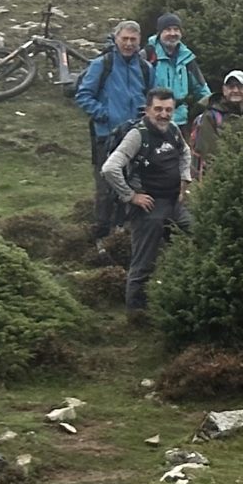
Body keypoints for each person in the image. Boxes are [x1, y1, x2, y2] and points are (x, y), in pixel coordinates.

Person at [98, 89, 191, 310]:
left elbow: (185, 152)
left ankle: (179, 296)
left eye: (169, 110)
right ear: (148, 109)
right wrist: (130, 196)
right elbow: (110, 168)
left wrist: (185, 181)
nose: (164, 114)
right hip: (148, 208)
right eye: (158, 109)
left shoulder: (173, 130)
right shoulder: (137, 135)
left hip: (173, 203)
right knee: (143, 263)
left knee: (199, 234)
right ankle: (136, 314)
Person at [73, 19, 153, 242]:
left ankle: (127, 230)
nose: (128, 44)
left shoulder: (147, 69)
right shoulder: (102, 64)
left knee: (134, 181)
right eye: (124, 39)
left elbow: (152, 99)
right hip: (106, 135)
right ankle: (101, 230)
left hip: (136, 136)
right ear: (116, 39)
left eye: (133, 40)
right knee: (105, 184)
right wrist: (103, 113)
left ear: (139, 42)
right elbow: (83, 95)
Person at [187, 69, 243, 176]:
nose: (235, 90)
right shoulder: (211, 116)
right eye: (231, 87)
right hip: (218, 176)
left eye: (240, 86)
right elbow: (209, 151)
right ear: (224, 90)